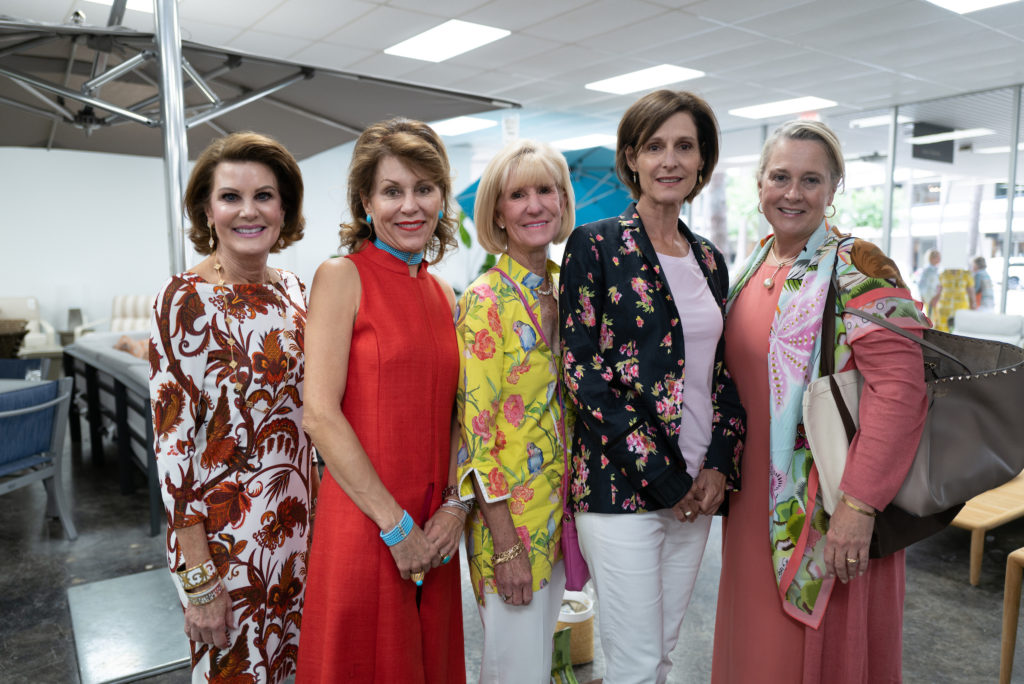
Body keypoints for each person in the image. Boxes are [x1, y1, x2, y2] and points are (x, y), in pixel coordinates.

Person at [711, 120, 930, 684]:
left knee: (803, 658)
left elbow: (902, 392)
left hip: (829, 500)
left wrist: (860, 507)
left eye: (811, 180)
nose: (793, 193)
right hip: (752, 500)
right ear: (760, 184)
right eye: (780, 177)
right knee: (755, 649)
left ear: (834, 188)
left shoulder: (860, 266)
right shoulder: (758, 263)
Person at [559, 89, 745, 683]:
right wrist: (664, 476)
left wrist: (717, 465)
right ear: (632, 158)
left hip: (697, 490)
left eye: (684, 146)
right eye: (655, 146)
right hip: (620, 488)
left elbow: (724, 373)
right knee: (637, 662)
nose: (670, 160)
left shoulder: (710, 260)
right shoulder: (594, 245)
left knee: (660, 655)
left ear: (702, 160)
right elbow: (583, 372)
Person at [295, 118, 465, 683]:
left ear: (441, 197)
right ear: (366, 203)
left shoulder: (444, 293)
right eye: (392, 191)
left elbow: (457, 416)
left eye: (424, 188)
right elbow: (320, 415)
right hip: (369, 521)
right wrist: (396, 527)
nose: (410, 206)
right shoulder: (341, 276)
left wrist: (453, 506)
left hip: (434, 531)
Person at [150, 132, 315, 683]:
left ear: (284, 208)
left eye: (264, 196)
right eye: (230, 197)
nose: (249, 211)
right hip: (226, 543)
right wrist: (200, 580)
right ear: (207, 210)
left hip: (301, 528)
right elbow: (173, 450)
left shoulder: (295, 291)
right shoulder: (182, 299)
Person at [454, 139, 575, 683]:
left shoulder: (569, 289)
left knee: (534, 665)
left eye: (545, 190)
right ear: (498, 214)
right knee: (516, 671)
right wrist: (506, 546)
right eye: (517, 195)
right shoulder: (484, 301)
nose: (535, 206)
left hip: (560, 512)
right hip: (510, 522)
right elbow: (474, 438)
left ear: (562, 200)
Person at [915, 248, 941, 316]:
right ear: (931, 258)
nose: (939, 259)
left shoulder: (937, 270)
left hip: (935, 298)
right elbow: (921, 285)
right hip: (929, 298)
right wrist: (923, 297)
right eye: (937, 257)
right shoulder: (926, 270)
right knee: (930, 316)